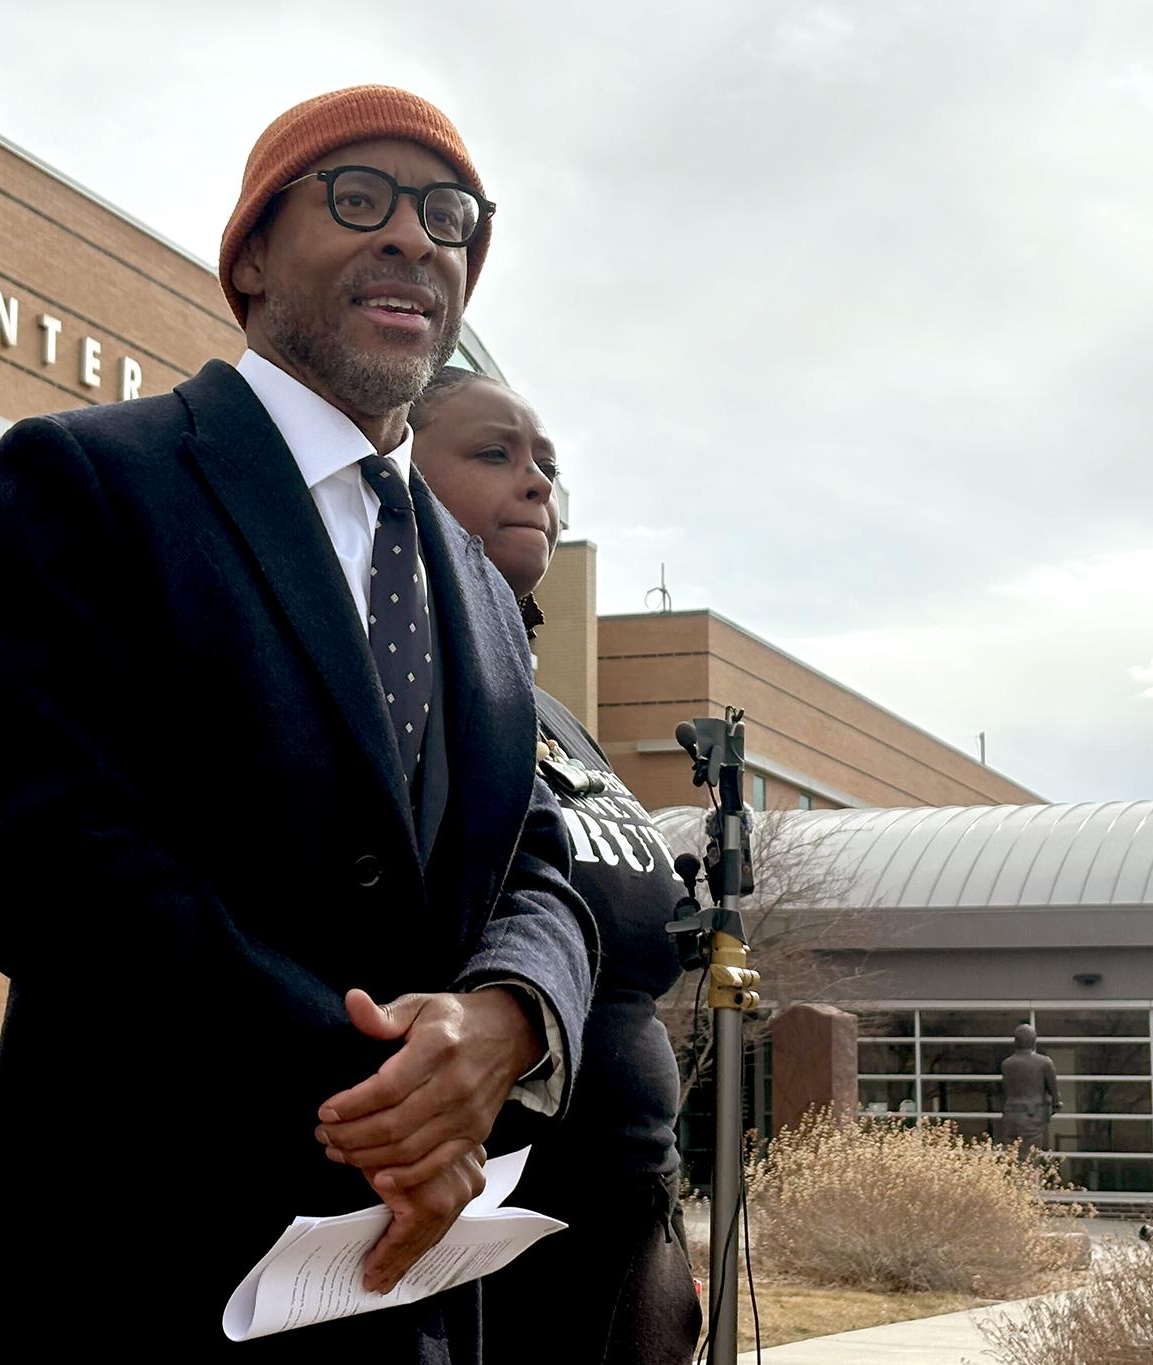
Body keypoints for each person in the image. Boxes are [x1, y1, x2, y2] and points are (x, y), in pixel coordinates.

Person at [0, 87, 595, 1363]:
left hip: (411, 1295)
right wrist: (395, 1103)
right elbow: (45, 859)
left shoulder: (470, 576)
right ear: (248, 255)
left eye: (448, 217)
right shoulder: (91, 480)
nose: (414, 239)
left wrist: (512, 1019)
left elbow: (538, 857)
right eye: (360, 199)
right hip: (138, 1275)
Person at [411, 368, 703, 1363]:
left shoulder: (555, 721)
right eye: (493, 455)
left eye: (546, 464)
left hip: (624, 1235)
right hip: (486, 1249)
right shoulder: (398, 689)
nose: (536, 482)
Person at [999, 1023, 1060, 1155]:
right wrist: (1055, 1105)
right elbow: (1055, 1094)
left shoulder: (1007, 1064)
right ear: (1034, 1041)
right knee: (1030, 1159)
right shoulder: (1044, 1063)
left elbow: (1005, 1091)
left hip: (1011, 1116)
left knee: (1013, 1159)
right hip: (1033, 1116)